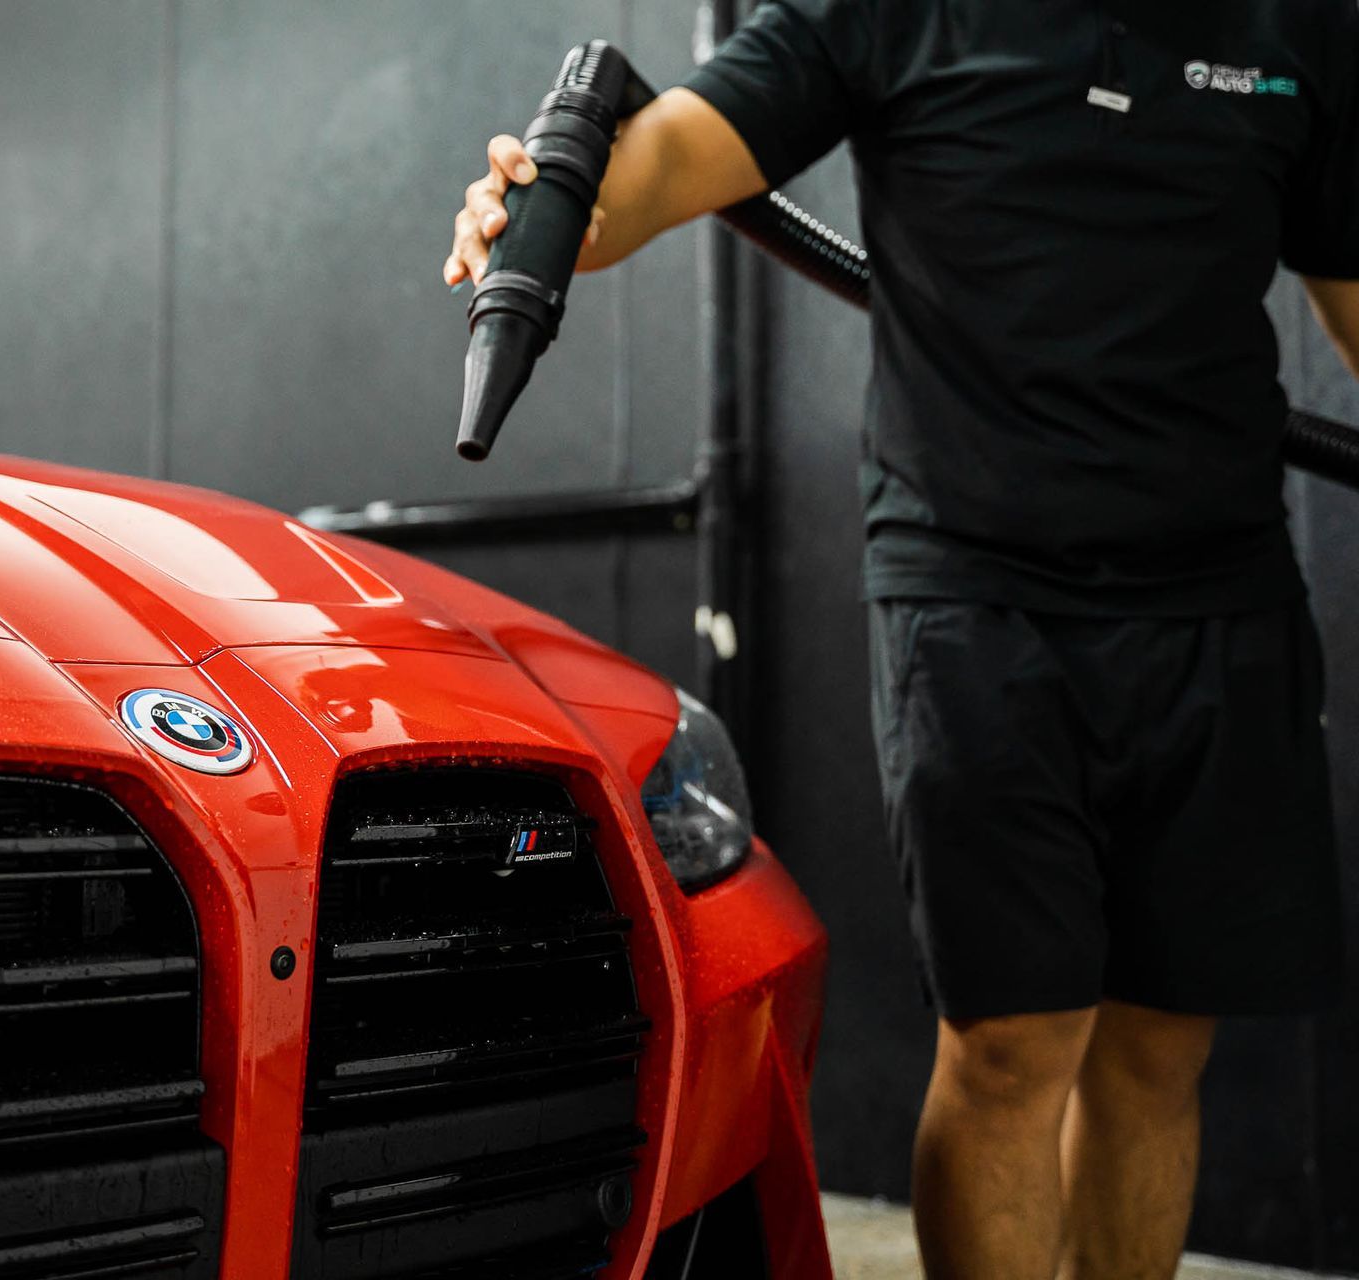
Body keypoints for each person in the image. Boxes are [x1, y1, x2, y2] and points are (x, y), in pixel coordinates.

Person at [447, 5, 1359, 1278]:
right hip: (979, 600)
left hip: (1221, 601)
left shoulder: (1299, 22)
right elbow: (663, 163)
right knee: (1010, 1041)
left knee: (1161, 1043)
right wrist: (557, 210)